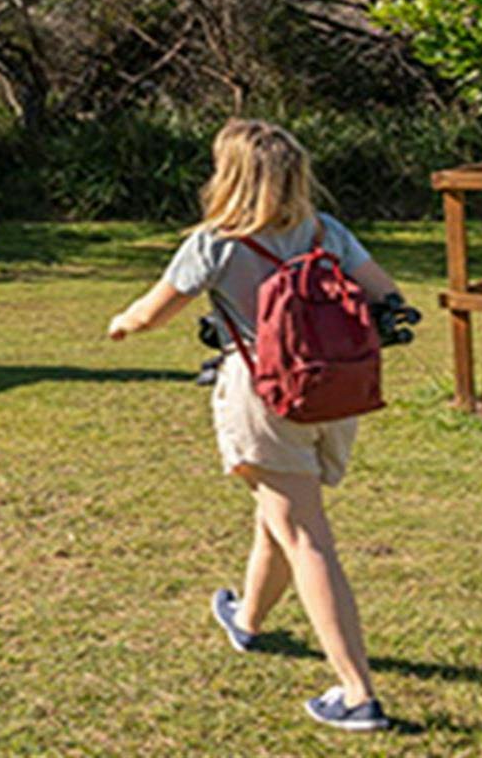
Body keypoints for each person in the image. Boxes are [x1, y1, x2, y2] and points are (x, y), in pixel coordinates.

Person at [106, 118, 401, 735]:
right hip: (334, 396)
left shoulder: (217, 241)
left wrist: (123, 323)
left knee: (304, 533)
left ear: (230, 174)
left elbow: (155, 311)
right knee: (280, 512)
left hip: (265, 394)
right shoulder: (327, 232)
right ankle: (248, 620)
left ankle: (357, 693)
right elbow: (387, 296)